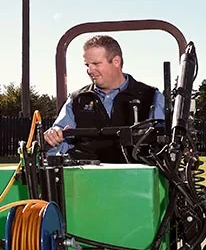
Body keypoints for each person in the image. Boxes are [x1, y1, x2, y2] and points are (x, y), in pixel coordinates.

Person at [43, 35, 165, 163]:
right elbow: (57, 140)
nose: (90, 70)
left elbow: (162, 145)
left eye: (96, 64)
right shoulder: (77, 99)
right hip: (86, 173)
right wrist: (54, 136)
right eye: (87, 65)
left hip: (138, 173)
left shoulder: (151, 96)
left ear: (116, 61)